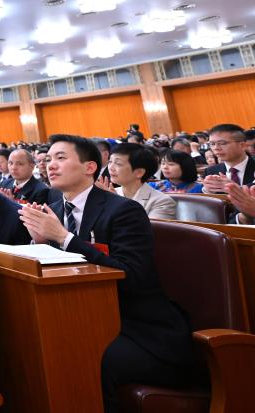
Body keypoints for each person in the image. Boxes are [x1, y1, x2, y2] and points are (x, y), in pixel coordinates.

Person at [19, 134, 196, 412]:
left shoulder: (124, 210)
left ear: (89, 167)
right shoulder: (52, 211)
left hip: (138, 327)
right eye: (49, 159)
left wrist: (64, 238)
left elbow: (131, 275)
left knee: (85, 360)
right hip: (82, 317)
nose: (50, 165)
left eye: (61, 158)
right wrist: (40, 243)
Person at [106, 143, 175, 220]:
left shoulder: (162, 202)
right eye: (110, 162)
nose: (111, 167)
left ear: (139, 172)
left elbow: (142, 227)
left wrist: (117, 202)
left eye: (118, 163)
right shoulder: (110, 193)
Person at [201, 123, 255, 193]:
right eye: (212, 144)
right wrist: (207, 190)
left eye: (222, 143)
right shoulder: (211, 171)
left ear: (242, 145)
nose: (216, 148)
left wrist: (235, 189)